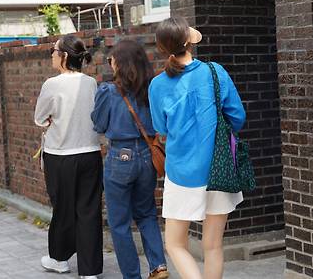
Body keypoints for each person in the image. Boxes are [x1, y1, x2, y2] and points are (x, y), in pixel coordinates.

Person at [149, 17, 246, 279]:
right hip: (218, 169)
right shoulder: (215, 72)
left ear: (162, 47)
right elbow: (238, 117)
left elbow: (161, 129)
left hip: (181, 173)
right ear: (189, 41)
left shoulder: (157, 85)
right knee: (213, 245)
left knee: (175, 244)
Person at [91, 39, 169, 279]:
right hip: (147, 154)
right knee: (146, 213)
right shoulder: (152, 89)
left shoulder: (108, 91)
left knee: (119, 221)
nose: (110, 61)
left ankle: (132, 276)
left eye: (112, 57)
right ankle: (158, 266)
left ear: (120, 63)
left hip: (120, 156)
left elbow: (99, 124)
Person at [34, 35, 102, 279]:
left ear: (63, 56)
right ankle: (90, 271)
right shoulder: (91, 83)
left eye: (53, 51)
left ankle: (60, 260)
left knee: (63, 209)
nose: (51, 54)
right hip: (90, 154)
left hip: (60, 155)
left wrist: (51, 119)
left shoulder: (52, 84)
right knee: (89, 210)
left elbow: (40, 118)